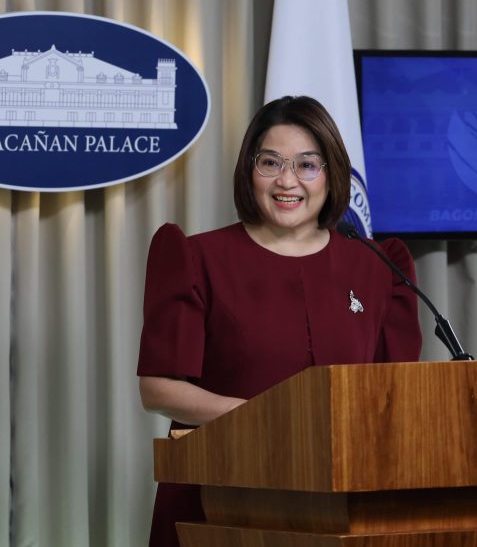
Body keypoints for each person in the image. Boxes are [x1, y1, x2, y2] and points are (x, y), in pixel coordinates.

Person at [136, 95, 422, 547]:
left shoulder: (377, 265)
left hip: (344, 501)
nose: (287, 181)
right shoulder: (195, 257)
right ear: (249, 170)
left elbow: (393, 393)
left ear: (332, 173)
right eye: (271, 163)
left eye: (307, 165)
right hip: (219, 495)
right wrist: (272, 420)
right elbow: (158, 389)